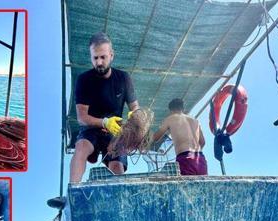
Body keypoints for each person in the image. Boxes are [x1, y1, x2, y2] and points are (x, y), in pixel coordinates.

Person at [69, 32, 140, 183]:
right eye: (95, 58)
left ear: (111, 55)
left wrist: (131, 125)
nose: (99, 62)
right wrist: (104, 122)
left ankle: (119, 192)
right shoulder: (84, 80)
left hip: (116, 131)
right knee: (81, 147)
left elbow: (136, 110)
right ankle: (72, 189)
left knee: (117, 167)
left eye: (103, 57)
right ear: (91, 58)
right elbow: (82, 117)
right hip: (91, 129)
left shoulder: (124, 78)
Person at [152, 98, 208, 175]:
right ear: (183, 108)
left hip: (185, 158)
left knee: (187, 186)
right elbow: (202, 142)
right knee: (203, 185)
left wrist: (147, 134)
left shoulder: (170, 119)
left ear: (170, 110)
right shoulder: (195, 120)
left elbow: (156, 138)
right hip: (200, 158)